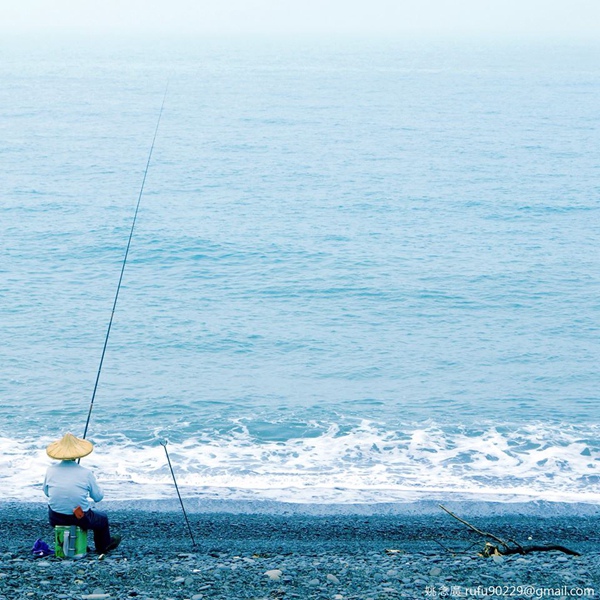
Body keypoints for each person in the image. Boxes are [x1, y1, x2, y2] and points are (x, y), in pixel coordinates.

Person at [43, 432, 121, 554]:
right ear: (77, 454)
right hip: (79, 518)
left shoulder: (50, 470)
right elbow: (98, 497)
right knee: (102, 518)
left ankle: (75, 544)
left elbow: (47, 493)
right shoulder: (86, 473)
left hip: (55, 518)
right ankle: (103, 546)